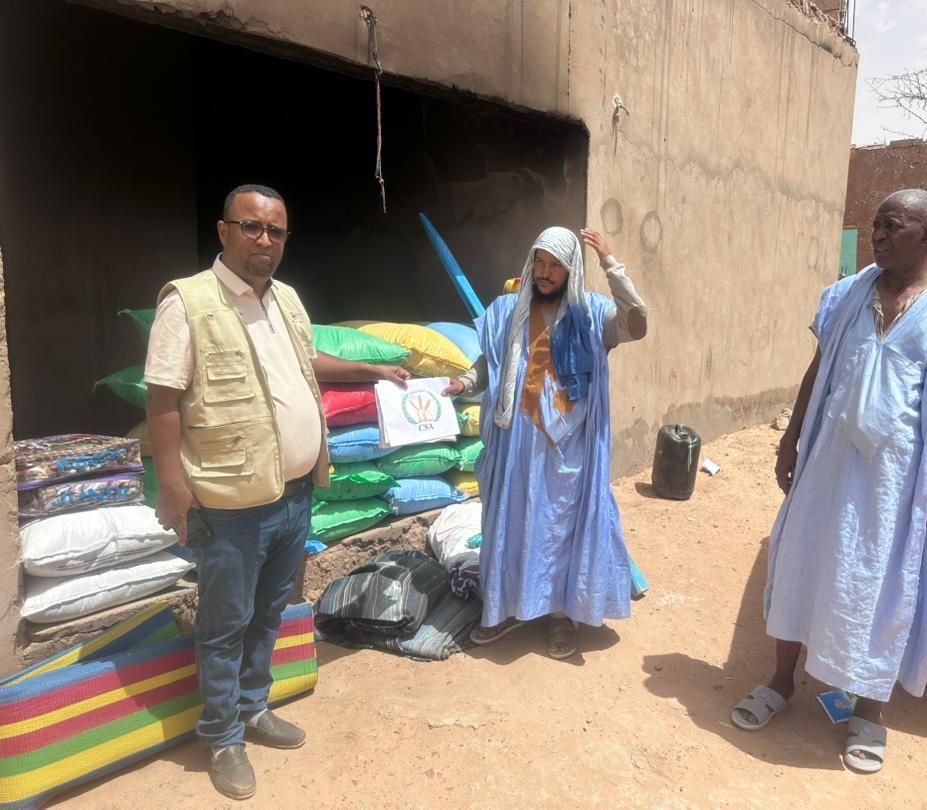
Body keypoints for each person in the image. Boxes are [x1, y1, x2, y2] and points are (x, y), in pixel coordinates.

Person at [730, 189, 927, 774]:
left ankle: (868, 711)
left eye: (892, 226)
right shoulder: (846, 295)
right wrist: (791, 438)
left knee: (884, 584)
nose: (877, 235)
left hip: (899, 482)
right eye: (876, 224)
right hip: (828, 463)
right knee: (802, 560)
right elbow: (818, 370)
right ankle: (781, 681)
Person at [145, 184, 408, 800]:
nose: (264, 240)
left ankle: (254, 707)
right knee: (224, 625)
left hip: (293, 494)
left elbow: (307, 361)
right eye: (252, 227)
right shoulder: (188, 303)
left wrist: (373, 370)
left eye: (276, 231)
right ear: (224, 231)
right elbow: (162, 399)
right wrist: (172, 486)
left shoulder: (285, 298)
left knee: (268, 612)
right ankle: (223, 736)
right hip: (231, 505)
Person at [443, 226, 647, 659]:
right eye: (540, 262)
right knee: (511, 524)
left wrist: (611, 263)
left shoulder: (592, 314)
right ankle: (508, 608)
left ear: (571, 271)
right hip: (515, 444)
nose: (545, 272)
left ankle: (561, 616)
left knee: (560, 529)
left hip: (568, 449)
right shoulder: (508, 311)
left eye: (555, 265)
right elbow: (491, 360)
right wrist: (465, 382)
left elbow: (637, 324)